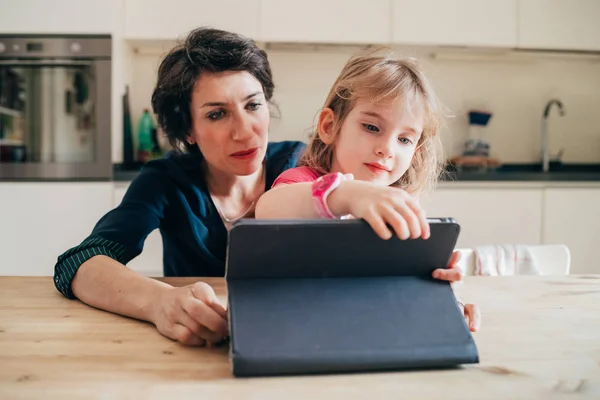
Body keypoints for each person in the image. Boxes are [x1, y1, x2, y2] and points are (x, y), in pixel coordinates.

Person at [53, 27, 306, 347]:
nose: (244, 132)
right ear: (188, 130)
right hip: (193, 351)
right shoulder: (166, 180)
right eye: (217, 114)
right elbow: (80, 262)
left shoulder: (300, 164)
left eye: (253, 105)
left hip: (291, 338)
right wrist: (160, 302)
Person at [255, 49, 481, 332]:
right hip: (300, 326)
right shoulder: (304, 181)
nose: (387, 148)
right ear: (329, 126)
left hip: (363, 328)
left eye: (404, 139)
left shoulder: (400, 203)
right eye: (372, 127)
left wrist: (438, 295)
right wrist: (347, 194)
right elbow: (268, 208)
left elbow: (394, 284)